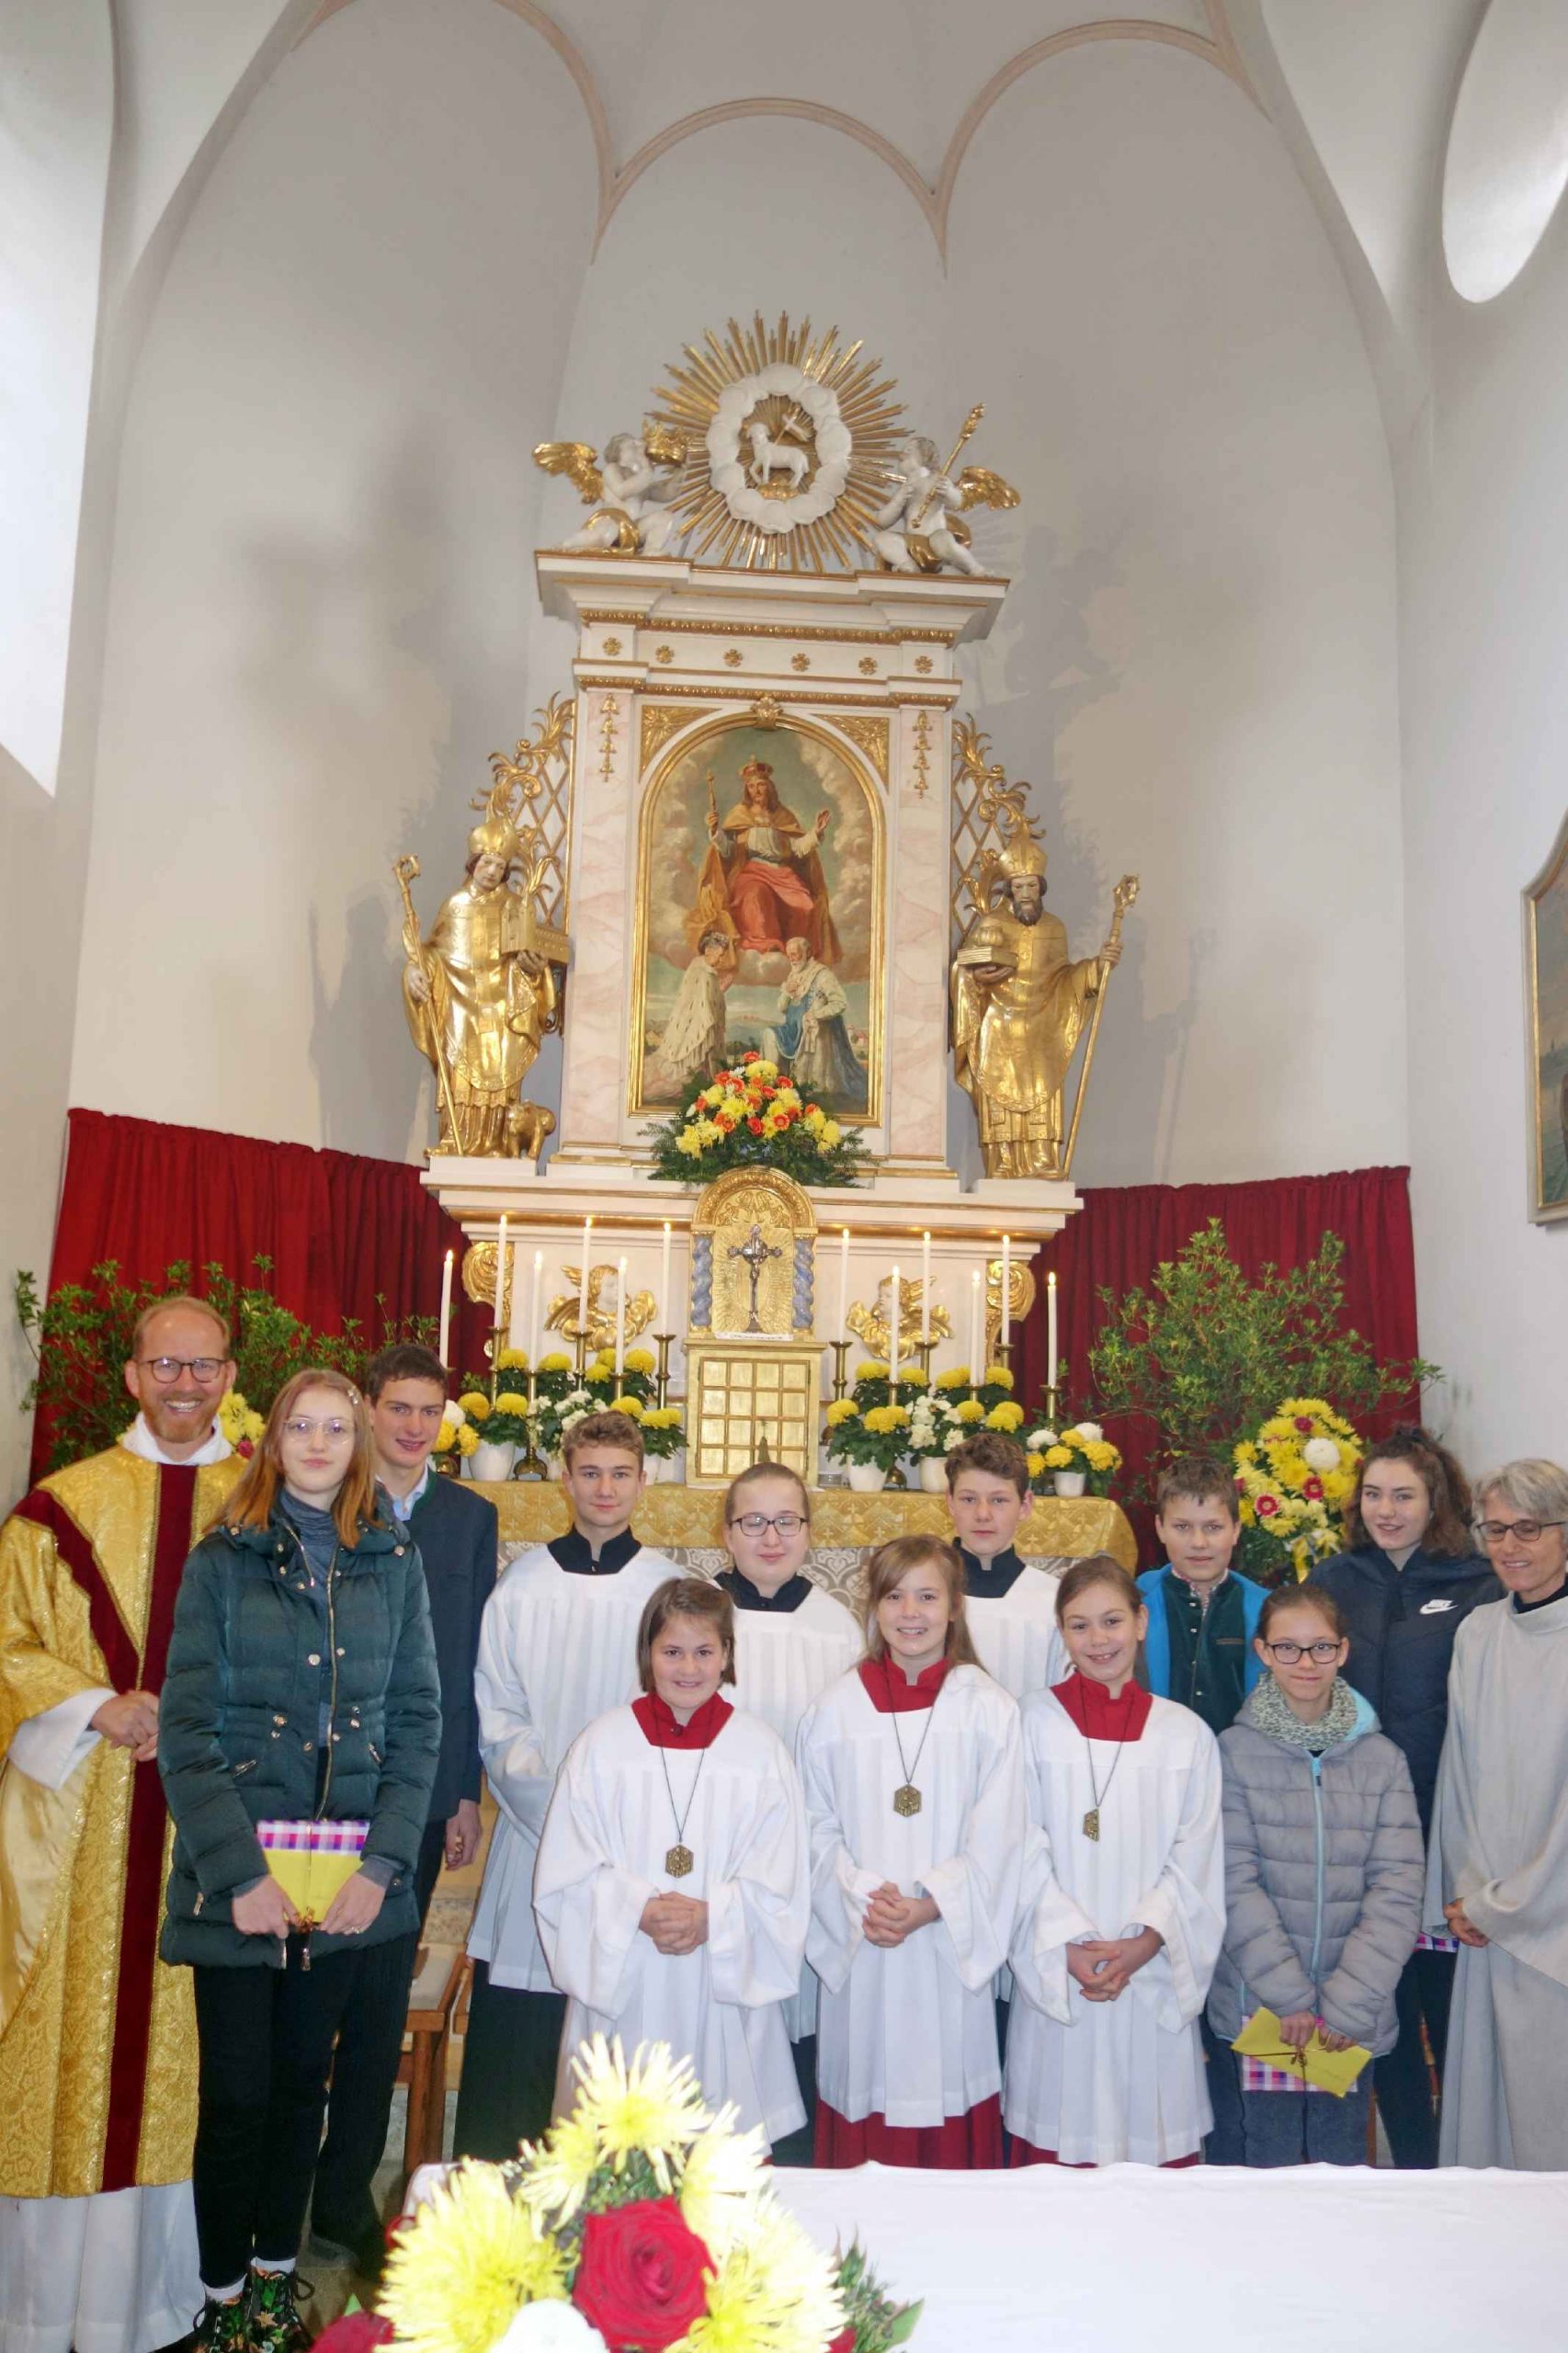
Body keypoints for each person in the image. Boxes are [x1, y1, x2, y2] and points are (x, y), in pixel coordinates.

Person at [157, 1369, 440, 2353]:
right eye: (301, 1427)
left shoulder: (393, 1558)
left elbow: (418, 1721)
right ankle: (222, 2300)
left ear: (358, 1444)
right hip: (241, 1884)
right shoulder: (221, 1559)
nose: (318, 1444)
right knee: (237, 2097)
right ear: (273, 1441)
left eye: (336, 1428)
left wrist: (382, 1868)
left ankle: (276, 2290)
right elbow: (186, 1729)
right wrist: (238, 1876)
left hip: (344, 1885)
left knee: (299, 2093)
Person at [0, 1293, 244, 2353]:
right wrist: (96, 1703)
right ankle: (46, 2308)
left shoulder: (264, 1504)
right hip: (85, 1819)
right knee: (73, 2053)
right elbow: (6, 1641)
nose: (185, 1384)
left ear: (229, 1377)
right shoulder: (61, 1505)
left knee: (191, 2061)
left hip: (211, 1824)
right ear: (134, 1375)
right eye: (166, 1365)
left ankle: (159, 2303)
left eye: (204, 1365)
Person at [310, 1343, 498, 2270]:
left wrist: (461, 1791)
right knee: (309, 1990)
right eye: (399, 1408)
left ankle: (344, 2192)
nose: (415, 1426)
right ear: (368, 1408)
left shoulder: (470, 1517)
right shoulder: (324, 1496)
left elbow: (468, 1663)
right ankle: (283, 2182)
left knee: (381, 1992)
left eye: (430, 1411)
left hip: (418, 1793)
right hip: (321, 1786)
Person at [452, 1410, 678, 2160]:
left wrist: (612, 1831)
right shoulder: (522, 1585)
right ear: (564, 1478)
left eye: (620, 1474)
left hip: (632, 1851)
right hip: (535, 1839)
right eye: (590, 1473)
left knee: (620, 2054)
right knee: (518, 2047)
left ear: (643, 1482)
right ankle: (498, 2204)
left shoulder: (668, 1590)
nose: (605, 1488)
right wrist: (561, 1818)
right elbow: (498, 1713)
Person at [534, 1578, 810, 2148]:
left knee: (718, 2159)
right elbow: (565, 1871)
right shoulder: (602, 1745)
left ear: (727, 1654)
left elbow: (783, 1875)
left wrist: (715, 1916)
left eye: (704, 1651)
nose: (688, 1668)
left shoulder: (760, 1751)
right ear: (648, 1654)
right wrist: (634, 1908)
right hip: (627, 1976)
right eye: (672, 1651)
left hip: (720, 1977)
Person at [797, 1535, 1026, 2167]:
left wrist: (933, 1903)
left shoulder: (989, 1708)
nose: (911, 1613)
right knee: (866, 2074)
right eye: (894, 1597)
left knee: (946, 2079)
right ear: (873, 1607)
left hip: (946, 1945)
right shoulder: (835, 1708)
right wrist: (860, 1896)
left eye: (927, 1596)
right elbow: (811, 1825)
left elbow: (1004, 1832)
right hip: (864, 1940)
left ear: (955, 1607)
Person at [1005, 1558, 1223, 2168]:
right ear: (1061, 1633)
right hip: (1059, 1972)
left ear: (1141, 1622)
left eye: (1112, 1621)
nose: (1098, 1639)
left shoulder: (1185, 1735)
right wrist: (1065, 1947)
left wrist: (1147, 1941)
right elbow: (1014, 1846)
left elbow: (1197, 1859)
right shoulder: (1028, 1723)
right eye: (1079, 1626)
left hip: (1147, 1975)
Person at [1316, 1427, 1496, 2167]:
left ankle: (1467, 2165)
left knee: (1450, 2011)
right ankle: (1412, 2165)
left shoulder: (1478, 1584)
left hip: (1444, 1834)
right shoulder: (1333, 1579)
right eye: (1373, 1494)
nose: (1385, 1510)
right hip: (1358, 1840)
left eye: (1403, 1496)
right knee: (1379, 2007)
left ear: (1436, 1502)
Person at [1207, 1583, 1424, 2167]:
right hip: (1264, 2004)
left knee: (1340, 2156)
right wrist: (1290, 1999)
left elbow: (1398, 1888)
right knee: (1268, 2155)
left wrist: (1348, 2005)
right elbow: (1232, 1880)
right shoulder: (1231, 1753)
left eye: (1321, 1647)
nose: (1306, 1662)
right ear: (1263, 1651)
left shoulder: (1383, 1761)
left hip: (1352, 2009)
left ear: (1344, 1651)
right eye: (1288, 1647)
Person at [1429, 1459, 1568, 2169]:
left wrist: (1509, 1903)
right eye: (1495, 1529)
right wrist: (1465, 1892)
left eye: (1529, 1529)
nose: (1509, 1546)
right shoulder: (1479, 1633)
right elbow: (1458, 1775)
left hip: (1553, 1921)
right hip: (1483, 1915)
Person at [716, 1462, 858, 2150]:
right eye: (753, 1522)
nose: (770, 1538)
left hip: (806, 1861)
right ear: (726, 1533)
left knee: (798, 2025)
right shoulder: (696, 1618)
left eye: (786, 1522)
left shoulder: (838, 1628)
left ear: (808, 1531)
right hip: (718, 1863)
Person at [1138, 1455, 1267, 1738]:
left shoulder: (1265, 1610)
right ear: (1160, 1528)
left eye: (1213, 1527)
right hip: (1156, 1753)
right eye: (1182, 1527)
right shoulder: (1135, 1601)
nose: (1198, 1542)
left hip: (1237, 1758)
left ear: (1236, 1530)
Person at [944, 1432, 1066, 1701]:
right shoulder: (921, 1597)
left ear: (1025, 1505)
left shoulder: (1054, 1601)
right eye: (968, 1499)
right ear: (950, 1502)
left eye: (999, 1500)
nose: (983, 1514)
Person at [697, 757, 839, 963]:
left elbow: (797, 849)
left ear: (769, 787)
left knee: (806, 906)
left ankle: (797, 951)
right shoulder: (739, 815)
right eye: (751, 786)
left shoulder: (783, 816)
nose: (756, 790)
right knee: (756, 894)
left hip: (782, 873)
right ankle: (764, 946)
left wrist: (816, 832)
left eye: (761, 785)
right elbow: (728, 850)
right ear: (747, 790)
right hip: (752, 872)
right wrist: (714, 831)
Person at [762, 936, 866, 1108]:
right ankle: (771, 1086)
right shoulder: (793, 974)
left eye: (795, 954)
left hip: (815, 1031)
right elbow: (781, 1008)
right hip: (792, 1029)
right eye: (789, 955)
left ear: (807, 953)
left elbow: (840, 1003)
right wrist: (787, 992)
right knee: (769, 1034)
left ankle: (805, 1091)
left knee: (810, 1090)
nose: (792, 959)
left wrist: (816, 1014)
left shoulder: (823, 975)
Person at [644, 927, 733, 1100]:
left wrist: (721, 990)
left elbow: (711, 996)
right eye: (720, 955)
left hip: (707, 1022)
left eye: (723, 956)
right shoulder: (699, 969)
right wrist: (707, 1018)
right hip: (696, 1023)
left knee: (707, 1064)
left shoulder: (708, 971)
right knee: (692, 1062)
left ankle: (705, 1082)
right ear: (708, 951)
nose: (721, 959)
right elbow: (699, 1000)